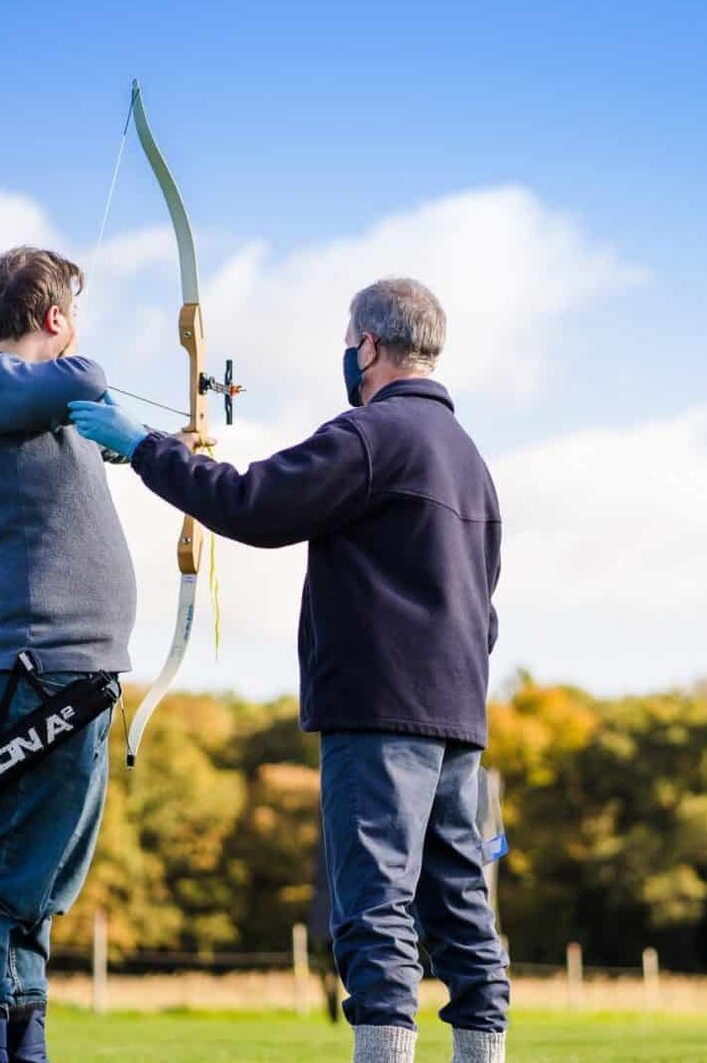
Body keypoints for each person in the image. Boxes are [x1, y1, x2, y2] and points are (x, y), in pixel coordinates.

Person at [70, 277, 509, 1063]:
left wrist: (144, 447)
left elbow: (254, 504)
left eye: (350, 342)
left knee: (374, 910)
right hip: (460, 721)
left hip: (379, 711)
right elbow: (487, 606)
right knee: (462, 909)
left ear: (369, 346)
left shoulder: (375, 434)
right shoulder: (471, 459)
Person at [0, 247, 137, 1063]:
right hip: (24, 673)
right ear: (54, 318)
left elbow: (99, 426)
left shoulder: (35, 410)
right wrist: (85, 371)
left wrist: (154, 444)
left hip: (70, 676)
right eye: (69, 317)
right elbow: (85, 381)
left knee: (35, 894)